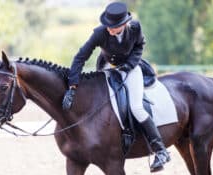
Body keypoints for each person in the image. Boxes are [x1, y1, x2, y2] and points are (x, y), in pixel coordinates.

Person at [62, 2, 170, 172]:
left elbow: (139, 46)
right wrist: (72, 85)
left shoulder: (135, 28)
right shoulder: (100, 33)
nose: (110, 30)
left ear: (125, 24)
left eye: (114, 27)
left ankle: (160, 150)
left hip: (131, 69)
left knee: (136, 107)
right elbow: (80, 57)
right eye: (108, 26)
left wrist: (129, 65)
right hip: (107, 67)